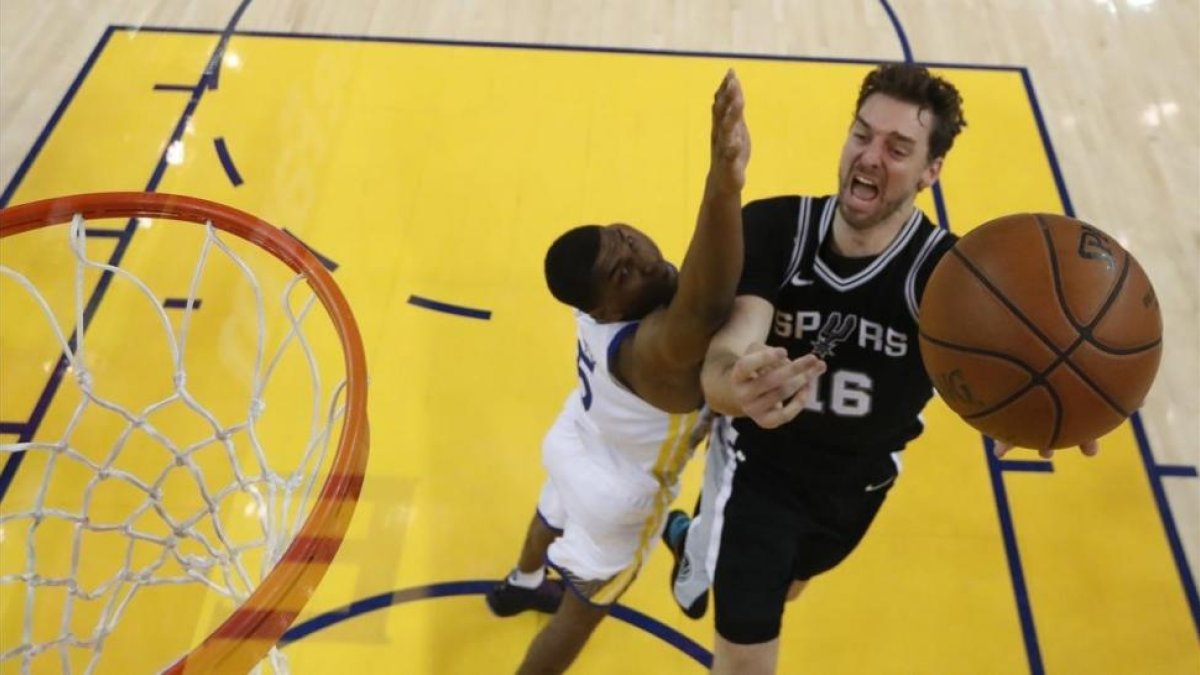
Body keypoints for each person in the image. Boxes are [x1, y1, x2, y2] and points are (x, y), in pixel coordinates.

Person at [661, 63, 1101, 675]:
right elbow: (726, 356)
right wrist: (735, 386)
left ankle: (690, 537)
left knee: (792, 581)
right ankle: (701, 543)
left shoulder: (951, 278)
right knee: (743, 650)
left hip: (858, 487)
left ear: (930, 172)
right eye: (861, 134)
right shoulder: (776, 229)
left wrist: (1043, 404)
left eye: (897, 148)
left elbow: (1008, 366)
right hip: (758, 479)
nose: (869, 157)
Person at [486, 70, 815, 675]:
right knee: (580, 615)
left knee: (551, 512)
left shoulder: (597, 316)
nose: (639, 255)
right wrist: (724, 183)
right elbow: (705, 301)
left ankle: (521, 580)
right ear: (607, 306)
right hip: (621, 494)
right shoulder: (653, 351)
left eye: (624, 240)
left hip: (575, 438)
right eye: (621, 271)